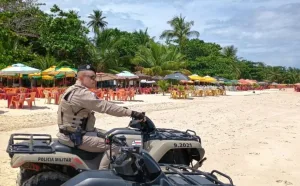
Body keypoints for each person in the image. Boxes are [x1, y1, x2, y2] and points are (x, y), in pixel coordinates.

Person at [56, 64, 145, 169]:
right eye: (92, 77)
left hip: (75, 133)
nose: (94, 80)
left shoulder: (72, 89)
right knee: (116, 145)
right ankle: (104, 173)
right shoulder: (81, 93)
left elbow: (103, 105)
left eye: (95, 77)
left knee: (111, 135)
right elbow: (105, 107)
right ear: (81, 78)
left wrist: (124, 110)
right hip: (75, 137)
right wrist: (132, 113)